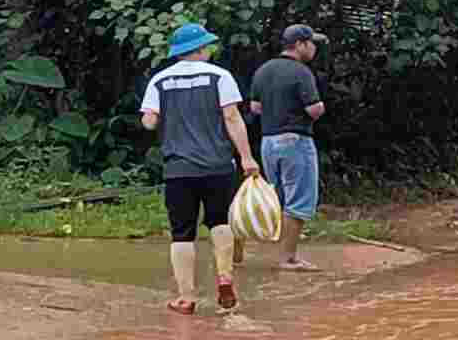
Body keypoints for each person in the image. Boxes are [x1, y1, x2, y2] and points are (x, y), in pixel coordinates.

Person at [140, 22, 261, 315]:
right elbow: (232, 118)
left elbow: (149, 122)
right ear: (201, 49)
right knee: (220, 222)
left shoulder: (160, 80)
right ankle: (224, 278)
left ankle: (186, 297)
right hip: (218, 166)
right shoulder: (220, 76)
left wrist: (163, 116)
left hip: (179, 169)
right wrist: (247, 158)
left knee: (182, 233)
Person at [249, 24, 328, 271]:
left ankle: (281, 251)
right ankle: (288, 258)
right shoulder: (301, 72)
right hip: (295, 141)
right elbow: (313, 109)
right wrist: (319, 109)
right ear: (300, 45)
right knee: (299, 200)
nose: (314, 48)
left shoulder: (263, 70)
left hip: (268, 142)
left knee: (281, 199)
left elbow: (255, 108)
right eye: (312, 43)